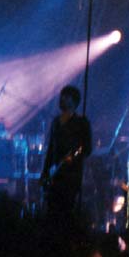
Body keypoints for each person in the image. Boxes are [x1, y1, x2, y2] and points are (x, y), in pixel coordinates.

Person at [41, 85, 92, 224]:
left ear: (73, 101)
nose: (62, 99)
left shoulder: (82, 123)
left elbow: (87, 149)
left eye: (66, 96)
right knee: (52, 213)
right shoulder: (56, 122)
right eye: (62, 96)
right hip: (55, 176)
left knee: (66, 213)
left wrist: (73, 157)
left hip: (71, 177)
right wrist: (45, 173)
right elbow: (51, 149)